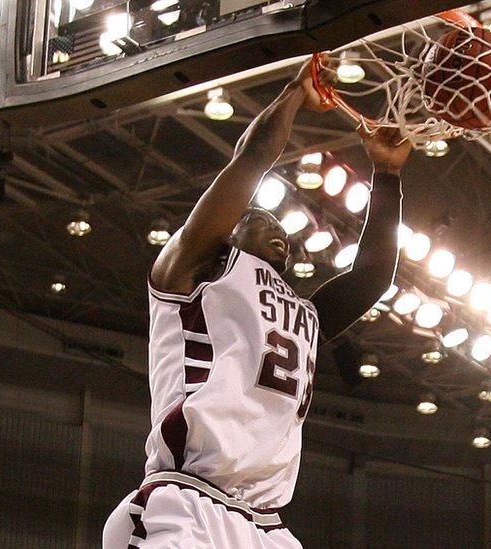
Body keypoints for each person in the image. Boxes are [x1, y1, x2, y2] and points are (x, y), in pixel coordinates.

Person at [102, 57, 410, 548]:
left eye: (285, 232)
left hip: (265, 522)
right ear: (229, 234)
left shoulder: (306, 314)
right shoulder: (196, 271)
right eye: (263, 221)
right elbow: (248, 162)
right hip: (189, 497)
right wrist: (293, 93)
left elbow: (372, 277)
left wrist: (388, 176)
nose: (281, 233)